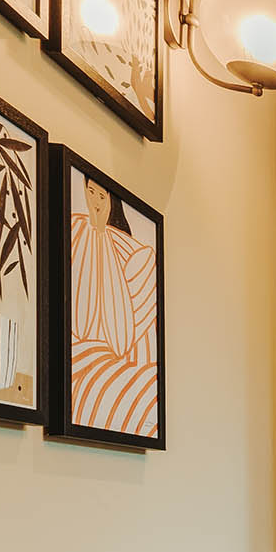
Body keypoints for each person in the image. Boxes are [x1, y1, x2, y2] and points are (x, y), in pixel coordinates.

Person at [69, 175, 158, 437]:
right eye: (91, 192)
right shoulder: (73, 230)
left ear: (111, 203)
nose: (95, 202)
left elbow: (124, 336)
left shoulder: (133, 253)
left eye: (102, 196)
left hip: (111, 357)